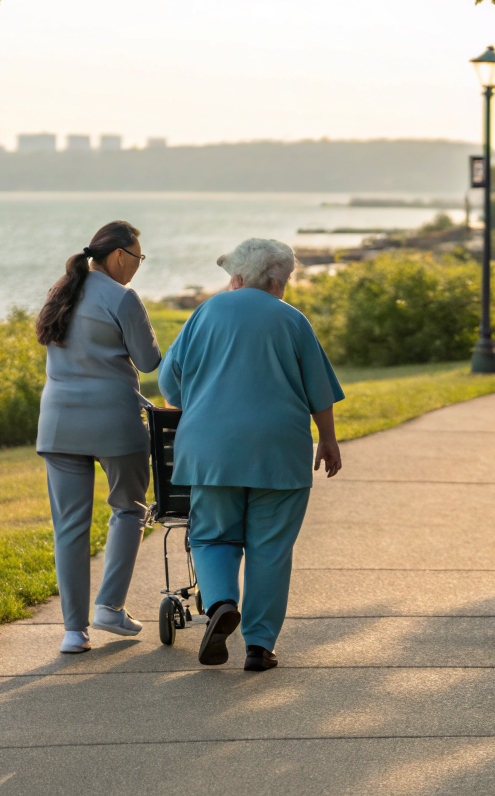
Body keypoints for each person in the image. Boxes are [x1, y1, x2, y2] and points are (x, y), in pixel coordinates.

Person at [158, 237, 344, 672]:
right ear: (277, 280)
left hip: (211, 451)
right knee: (271, 549)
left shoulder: (205, 312)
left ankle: (222, 602)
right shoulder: (292, 320)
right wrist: (328, 440)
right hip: (279, 452)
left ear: (239, 277)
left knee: (212, 536)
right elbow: (319, 390)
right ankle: (259, 646)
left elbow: (170, 383)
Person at [35, 220, 160, 655]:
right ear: (120, 255)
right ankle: (109, 606)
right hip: (114, 422)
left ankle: (74, 632)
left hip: (58, 425)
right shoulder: (123, 298)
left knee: (69, 527)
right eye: (138, 258)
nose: (138, 267)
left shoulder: (61, 291)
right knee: (129, 508)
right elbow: (148, 362)